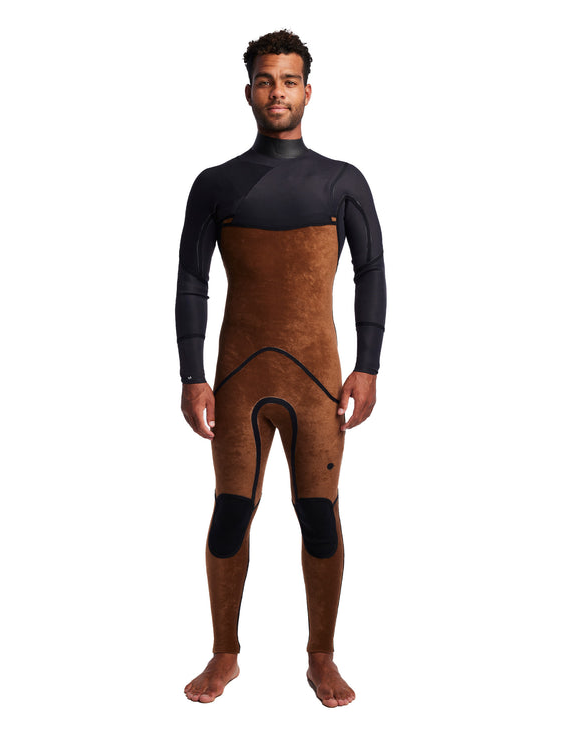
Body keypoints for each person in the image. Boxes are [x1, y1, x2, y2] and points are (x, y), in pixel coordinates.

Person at [175, 29, 386, 708]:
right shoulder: (215, 185)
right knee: (229, 514)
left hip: (318, 379)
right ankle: (224, 653)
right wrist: (191, 375)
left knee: (318, 515)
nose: (277, 92)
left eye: (289, 81)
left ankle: (322, 656)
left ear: (308, 92)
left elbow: (371, 273)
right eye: (266, 80)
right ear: (249, 91)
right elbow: (192, 282)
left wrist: (368, 367)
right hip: (237, 379)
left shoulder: (342, 181)